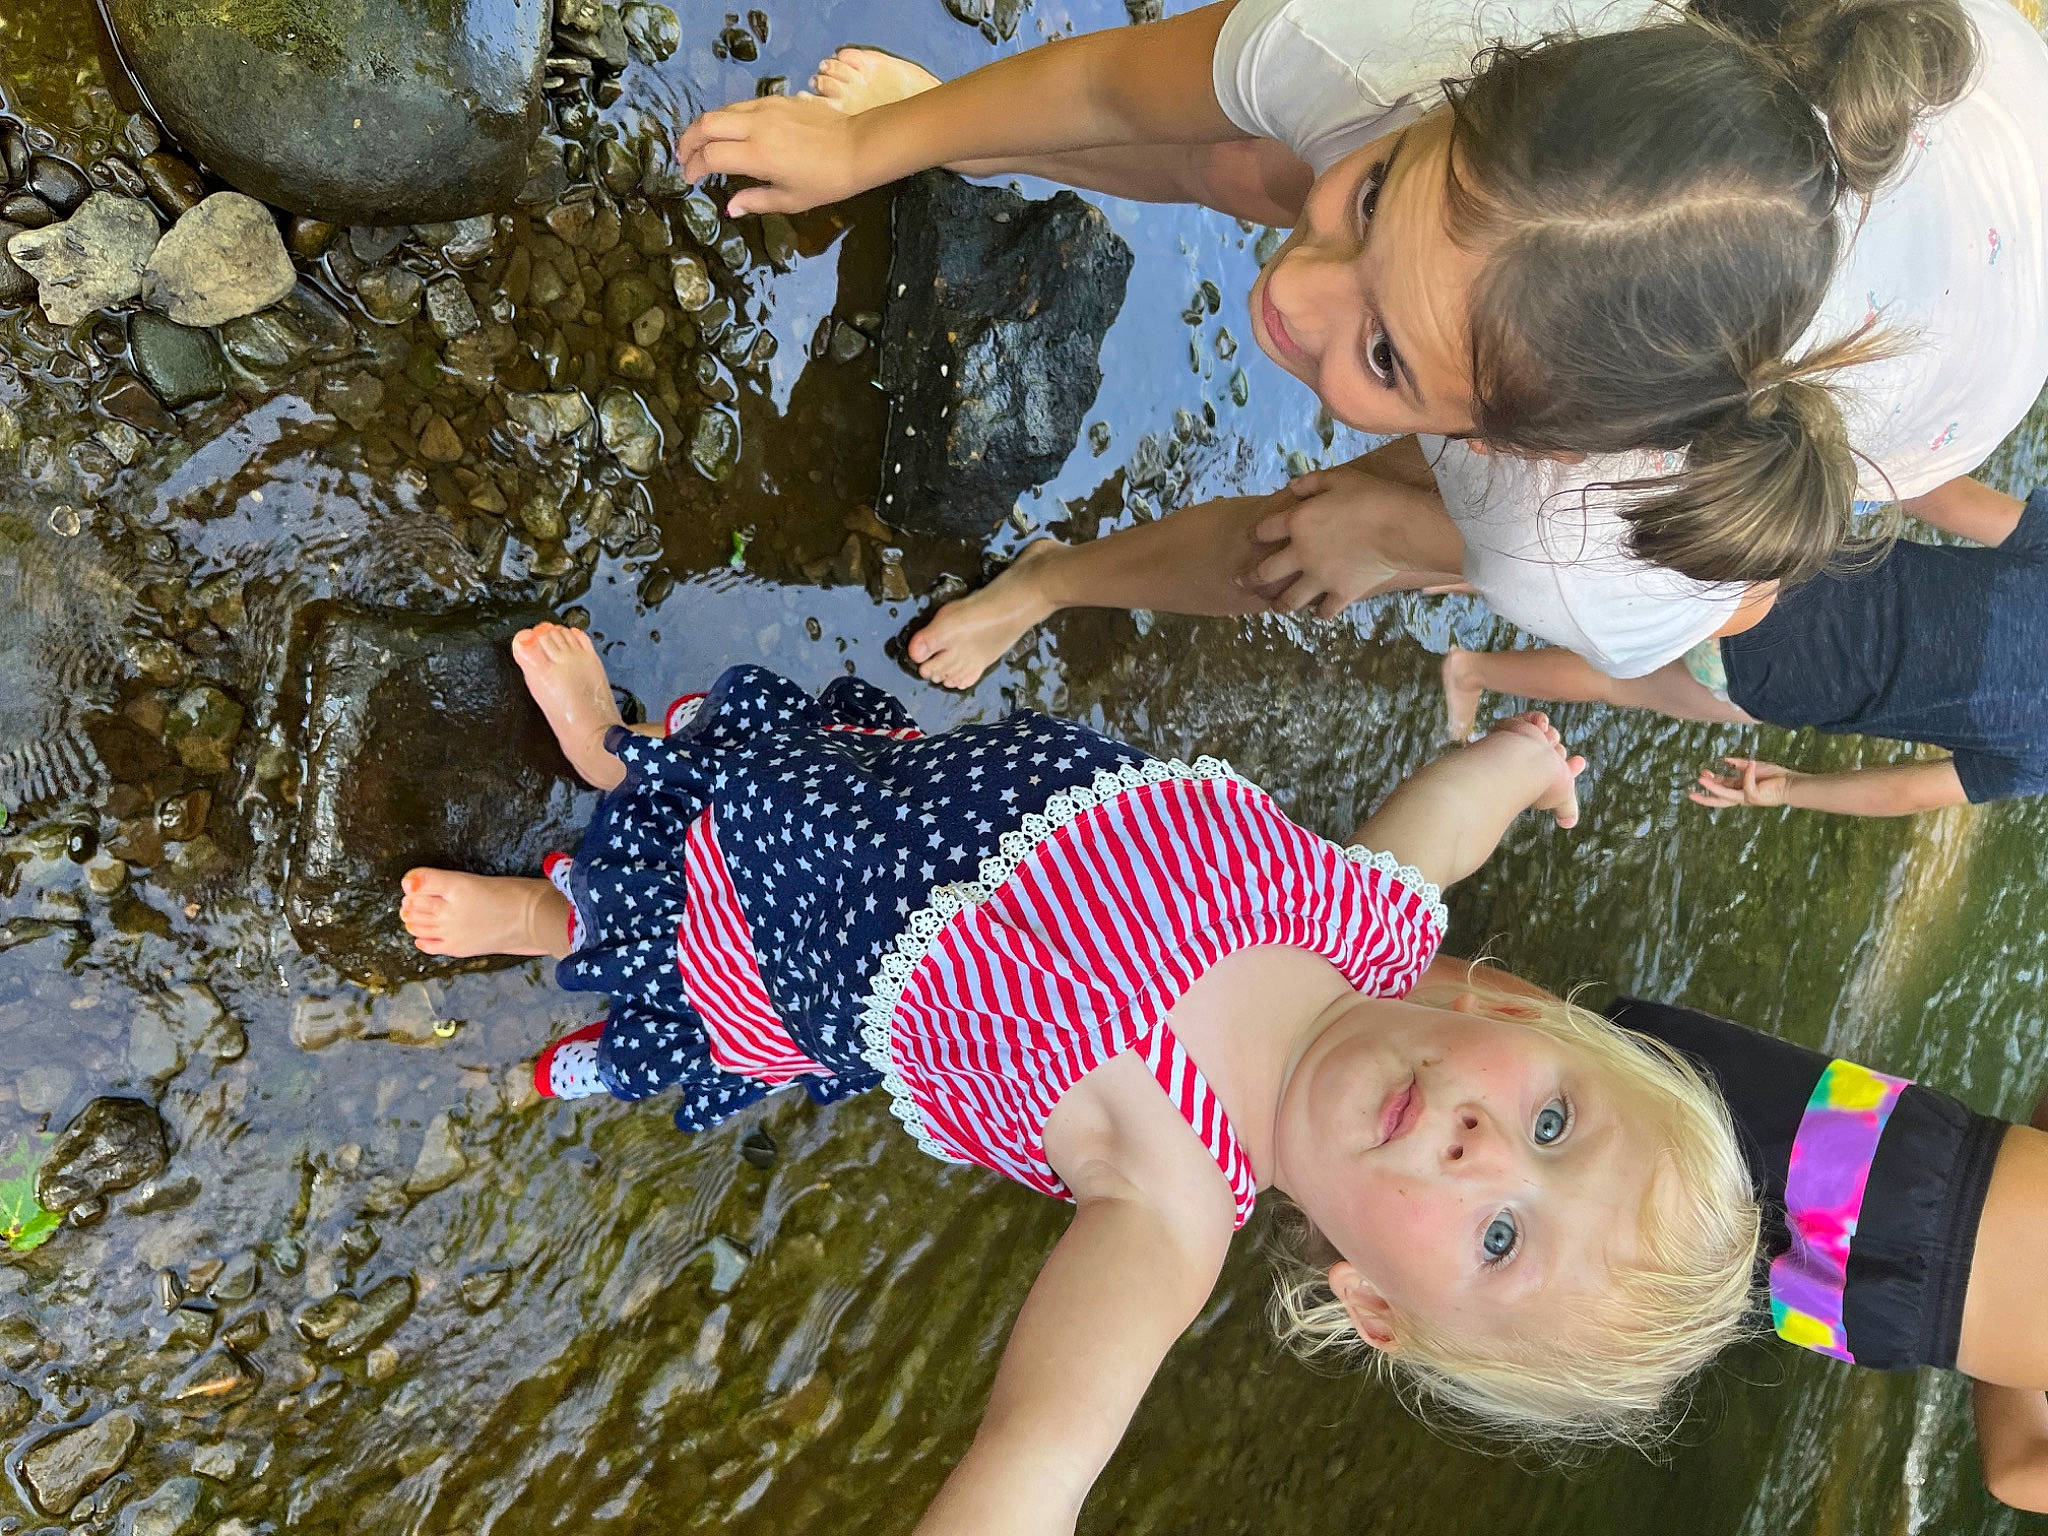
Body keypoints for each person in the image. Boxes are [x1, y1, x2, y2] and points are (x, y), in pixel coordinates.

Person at [396, 622, 1759, 1528]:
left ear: (1375, 1305)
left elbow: (1039, 1457)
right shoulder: (1373, 924)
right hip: (882, 795)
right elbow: (1443, 832)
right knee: (754, 775)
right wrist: (1517, 760)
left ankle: (552, 917)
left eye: (1502, 1235)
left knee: (678, 930)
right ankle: (617, 753)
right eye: (1553, 1117)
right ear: (1528, 1018)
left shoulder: (1170, 1206)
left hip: (788, 930)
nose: (1486, 1148)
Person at [676, 0, 2047, 690]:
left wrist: (1406, 541)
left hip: (1969, 342)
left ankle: (1051, 580)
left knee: (1330, 537)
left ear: (1517, 444)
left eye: (1385, 362)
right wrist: (873, 143)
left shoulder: (1584, 545)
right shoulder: (1420, 30)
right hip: (1962, 96)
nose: (1289, 301)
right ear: (1481, 82)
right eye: (1389, 190)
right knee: (1257, 164)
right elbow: (1114, 78)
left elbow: (1737, 601)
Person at [1419, 956, 2048, 1512]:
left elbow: (2015, 1470)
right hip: (1877, 1309)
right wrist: (2007, 1332)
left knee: (1581, 1079)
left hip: (1907, 1174)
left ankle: (1357, 954)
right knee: (1576, 1122)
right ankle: (1364, 993)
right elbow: (2017, 1469)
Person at [1439, 480, 2048, 816]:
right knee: (1617, 682)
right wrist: (1789, 788)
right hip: (1770, 672)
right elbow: (1907, 793)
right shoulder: (2040, 759)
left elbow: (1932, 492)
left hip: (1779, 552)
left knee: (1606, 552)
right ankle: (1471, 671)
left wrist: (1838, 468)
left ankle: (1443, 552)